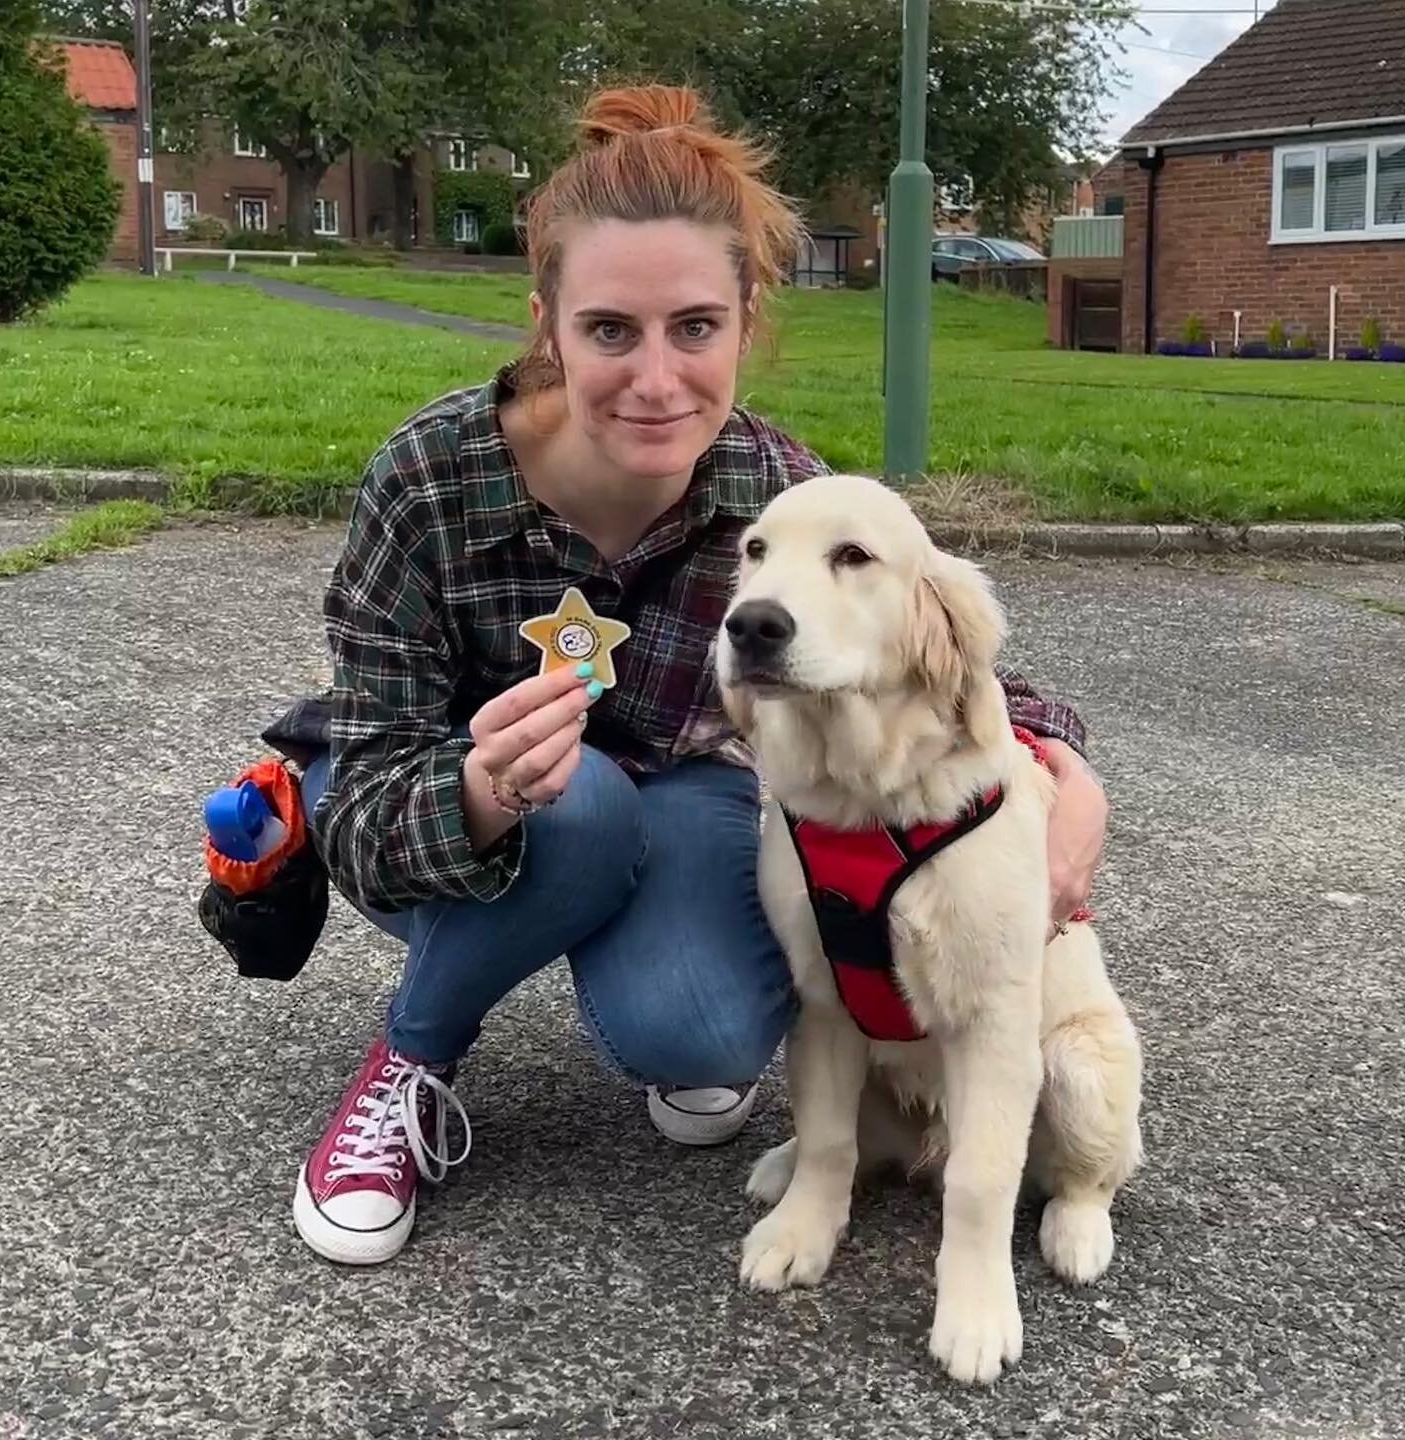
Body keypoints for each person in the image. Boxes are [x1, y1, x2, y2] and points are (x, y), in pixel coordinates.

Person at [284, 84, 1108, 1266]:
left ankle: (632, 947)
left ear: (747, 320)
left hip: (675, 812)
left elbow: (932, 649)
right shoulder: (425, 481)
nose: (659, 379)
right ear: (546, 325)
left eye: (696, 328)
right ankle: (411, 1052)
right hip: (465, 817)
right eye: (610, 330)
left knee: (710, 1033)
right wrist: (479, 789)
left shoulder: (780, 494)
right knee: (580, 809)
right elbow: (361, 813)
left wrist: (1063, 765)